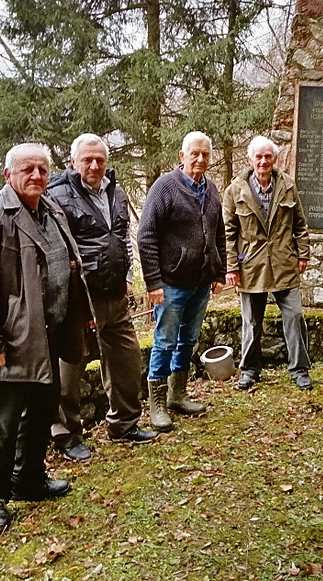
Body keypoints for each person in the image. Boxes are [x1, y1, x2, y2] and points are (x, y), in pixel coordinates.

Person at [0, 143, 95, 533]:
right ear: (8, 175)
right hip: (10, 342)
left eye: (42, 169)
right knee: (2, 422)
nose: (36, 175)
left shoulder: (51, 210)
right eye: (27, 169)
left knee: (42, 411)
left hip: (48, 333)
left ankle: (28, 480)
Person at [46, 134, 158, 460]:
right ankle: (67, 436)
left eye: (100, 160)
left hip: (115, 295)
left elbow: (122, 237)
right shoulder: (58, 197)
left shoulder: (115, 191)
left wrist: (127, 277)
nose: (94, 165)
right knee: (71, 369)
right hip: (80, 298)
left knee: (127, 360)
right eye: (87, 160)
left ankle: (124, 424)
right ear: (73, 162)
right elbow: (57, 250)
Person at [138, 132, 226, 432]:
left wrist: (218, 272)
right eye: (195, 154)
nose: (200, 159)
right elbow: (146, 236)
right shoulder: (164, 187)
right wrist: (153, 282)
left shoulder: (212, 190)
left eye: (205, 154)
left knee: (188, 340)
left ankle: (177, 395)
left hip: (201, 283)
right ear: (182, 155)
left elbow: (219, 235)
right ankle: (157, 405)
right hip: (171, 283)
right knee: (164, 341)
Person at [223, 136, 313, 392]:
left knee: (294, 316)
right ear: (250, 159)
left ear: (275, 159)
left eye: (268, 157)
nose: (263, 161)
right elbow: (228, 233)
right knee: (251, 321)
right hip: (251, 264)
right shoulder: (235, 190)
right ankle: (250, 370)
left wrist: (303, 254)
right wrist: (231, 267)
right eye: (258, 157)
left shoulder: (287, 185)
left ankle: (300, 370)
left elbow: (299, 224)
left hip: (284, 262)